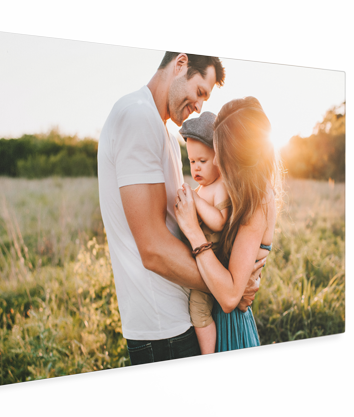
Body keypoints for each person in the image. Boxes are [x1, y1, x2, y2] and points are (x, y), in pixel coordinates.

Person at [98, 52, 265, 366]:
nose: (200, 106)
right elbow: (153, 248)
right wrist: (230, 289)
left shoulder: (160, 129)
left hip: (177, 318)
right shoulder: (137, 117)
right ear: (180, 64)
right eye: (200, 92)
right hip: (165, 329)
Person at [175, 97, 282, 352]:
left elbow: (231, 296)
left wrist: (192, 231)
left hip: (230, 327)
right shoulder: (241, 194)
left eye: (220, 156)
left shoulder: (257, 201)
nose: (217, 164)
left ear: (237, 158)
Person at [179, 111, 230, 355]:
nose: (196, 167)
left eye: (203, 161)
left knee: (198, 310)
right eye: (192, 162)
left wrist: (196, 202)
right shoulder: (202, 188)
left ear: (218, 159)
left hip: (213, 262)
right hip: (199, 260)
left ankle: (208, 355)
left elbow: (219, 222)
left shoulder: (219, 187)